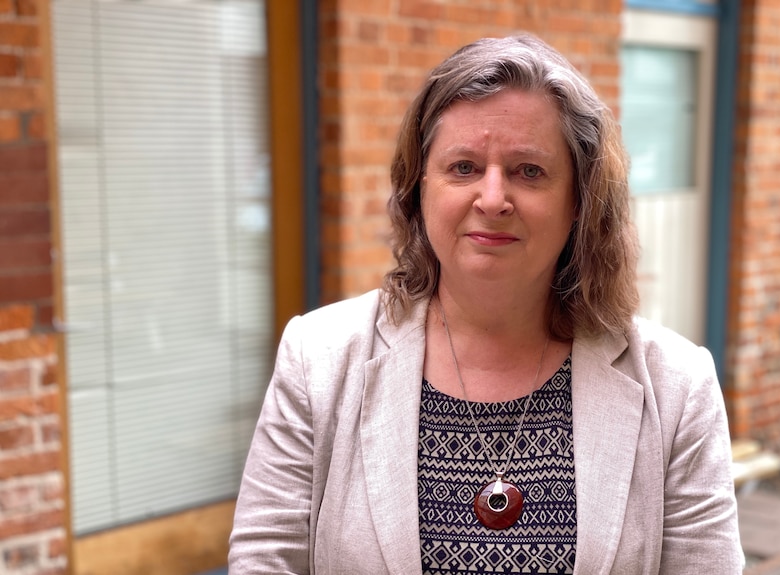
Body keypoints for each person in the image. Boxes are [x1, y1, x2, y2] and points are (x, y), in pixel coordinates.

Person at [229, 33, 744, 574]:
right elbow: (265, 560)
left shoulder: (679, 387)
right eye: (464, 167)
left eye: (529, 171)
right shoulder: (318, 358)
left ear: (579, 203)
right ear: (419, 188)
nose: (493, 199)